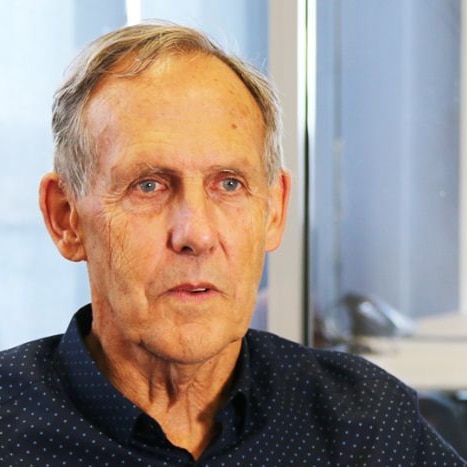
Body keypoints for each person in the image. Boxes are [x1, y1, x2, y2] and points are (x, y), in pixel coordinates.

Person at [0, 21, 465, 466]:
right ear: (66, 219)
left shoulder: (366, 429)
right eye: (148, 185)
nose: (197, 235)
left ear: (274, 211)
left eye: (228, 185)